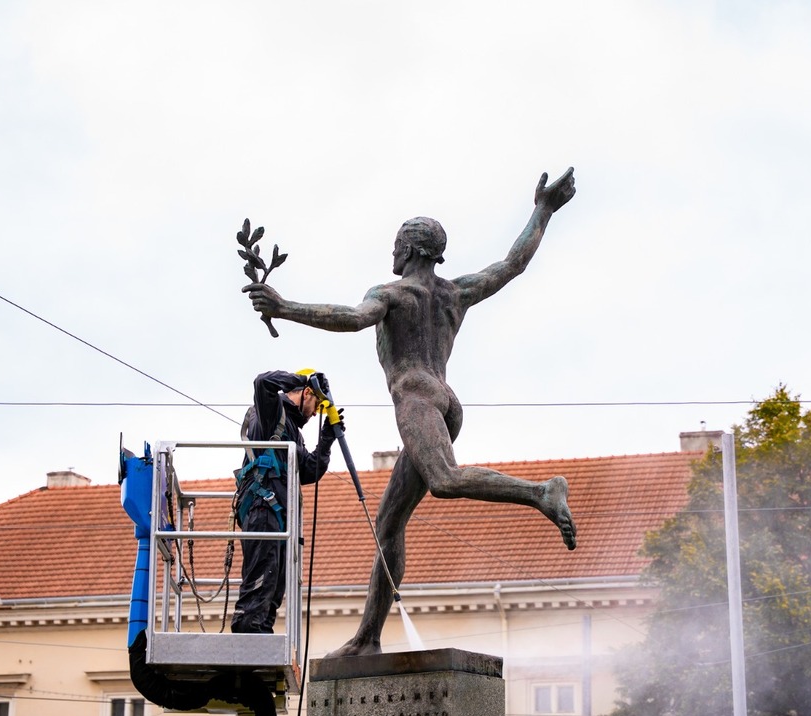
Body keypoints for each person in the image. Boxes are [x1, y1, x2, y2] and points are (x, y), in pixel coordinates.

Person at [243, 168, 578, 656]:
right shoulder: (455, 292)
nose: (392, 253)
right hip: (446, 402)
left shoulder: (392, 294)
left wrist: (285, 307)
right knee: (389, 523)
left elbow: (352, 318)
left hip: (418, 401)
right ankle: (367, 638)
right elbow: (512, 264)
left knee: (445, 480)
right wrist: (543, 210)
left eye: (397, 245)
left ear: (413, 250)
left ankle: (541, 493)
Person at [231, 369, 336, 634]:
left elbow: (309, 470)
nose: (315, 414)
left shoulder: (294, 433)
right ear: (307, 393)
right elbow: (262, 382)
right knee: (261, 579)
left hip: (278, 515)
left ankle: (262, 634)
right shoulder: (270, 411)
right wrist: (302, 379)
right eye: (316, 405)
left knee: (275, 585)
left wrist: (326, 439)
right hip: (262, 507)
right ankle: (248, 635)